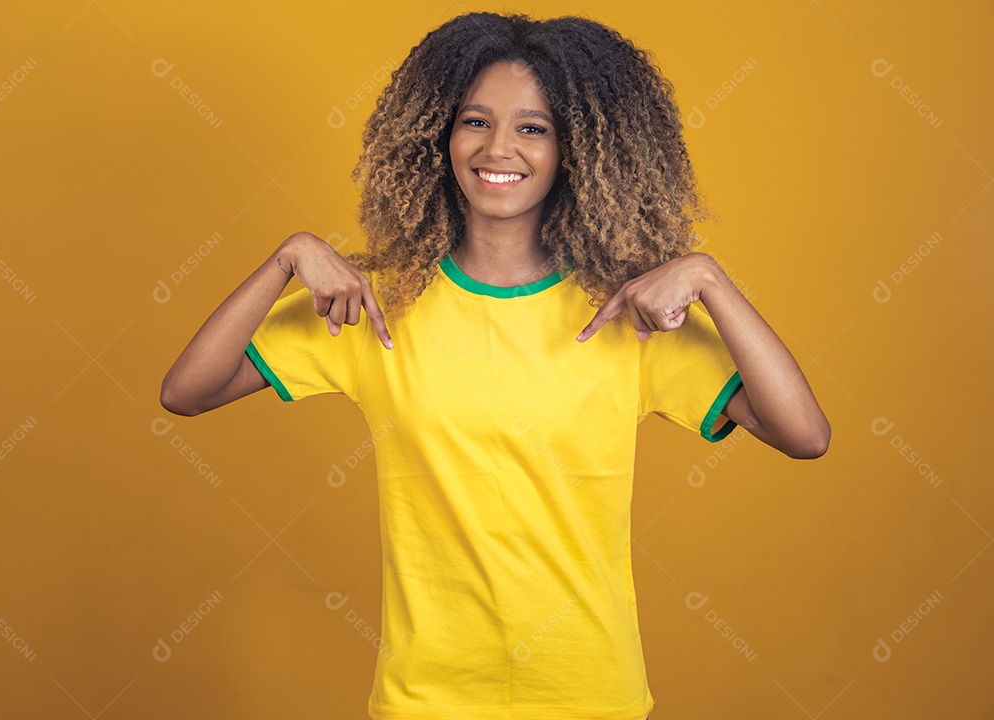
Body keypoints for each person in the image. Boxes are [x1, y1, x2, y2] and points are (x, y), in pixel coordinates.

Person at [161, 10, 830, 720]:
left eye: (533, 127)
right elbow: (187, 391)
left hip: (589, 696)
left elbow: (804, 434)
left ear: (579, 149)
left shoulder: (628, 314)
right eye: (475, 121)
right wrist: (286, 259)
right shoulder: (377, 307)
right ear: (437, 136)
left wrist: (708, 280)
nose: (497, 147)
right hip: (426, 702)